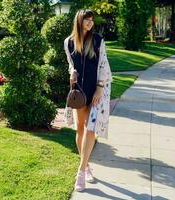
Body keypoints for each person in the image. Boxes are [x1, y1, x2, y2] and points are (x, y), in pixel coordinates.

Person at [64, 9, 112, 192]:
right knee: (81, 128)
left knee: (91, 129)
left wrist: (100, 86)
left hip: (96, 91)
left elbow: (104, 64)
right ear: (79, 20)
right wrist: (72, 73)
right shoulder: (68, 42)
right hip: (80, 92)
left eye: (92, 20)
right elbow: (70, 64)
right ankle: (87, 165)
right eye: (87, 19)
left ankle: (81, 172)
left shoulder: (98, 40)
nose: (90, 22)